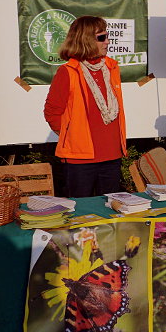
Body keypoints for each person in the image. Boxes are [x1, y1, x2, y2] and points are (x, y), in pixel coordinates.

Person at [44, 16, 127, 198]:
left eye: (107, 36)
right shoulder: (68, 72)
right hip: (80, 160)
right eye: (102, 37)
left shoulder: (111, 67)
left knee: (111, 213)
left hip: (112, 155)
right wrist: (73, 137)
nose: (107, 41)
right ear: (86, 40)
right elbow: (52, 113)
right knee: (82, 213)